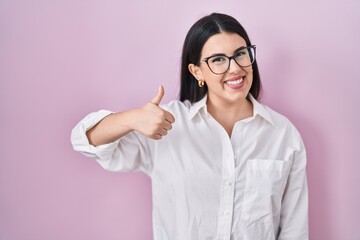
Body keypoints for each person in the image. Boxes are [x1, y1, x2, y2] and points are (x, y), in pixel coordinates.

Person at [71, 12, 308, 240]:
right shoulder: (167, 125)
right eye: (218, 60)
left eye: (241, 54)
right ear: (197, 72)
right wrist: (131, 118)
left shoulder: (283, 134)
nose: (235, 68)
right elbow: (84, 141)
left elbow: (294, 231)